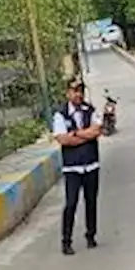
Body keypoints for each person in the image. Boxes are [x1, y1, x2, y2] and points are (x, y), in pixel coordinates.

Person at [52, 78, 102, 256]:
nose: (78, 94)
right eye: (74, 91)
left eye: (81, 90)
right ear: (68, 93)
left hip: (91, 164)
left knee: (91, 202)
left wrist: (75, 134)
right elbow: (62, 139)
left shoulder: (91, 110)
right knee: (71, 203)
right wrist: (85, 136)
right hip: (72, 167)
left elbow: (97, 131)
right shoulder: (60, 114)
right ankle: (66, 240)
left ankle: (91, 235)